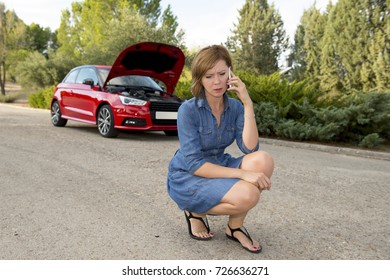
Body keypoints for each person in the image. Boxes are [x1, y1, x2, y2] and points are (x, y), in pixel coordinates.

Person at [167, 45, 274, 253]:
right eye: (209, 76)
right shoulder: (187, 110)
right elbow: (195, 164)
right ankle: (194, 211)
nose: (216, 82)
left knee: (263, 160)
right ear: (200, 79)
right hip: (189, 174)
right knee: (249, 195)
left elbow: (250, 148)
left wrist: (247, 103)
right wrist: (244, 174)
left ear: (230, 73)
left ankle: (234, 228)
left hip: (219, 164)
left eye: (222, 74)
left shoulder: (234, 108)